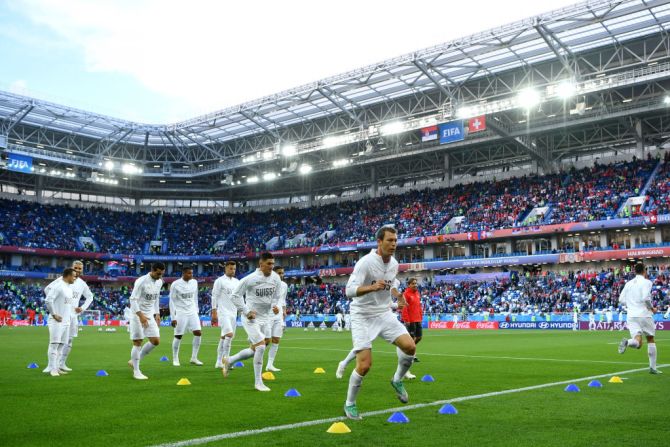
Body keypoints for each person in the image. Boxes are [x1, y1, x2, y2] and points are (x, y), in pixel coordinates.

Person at [342, 226, 416, 420]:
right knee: (365, 365)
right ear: (379, 242)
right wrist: (372, 287)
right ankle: (350, 404)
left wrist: (398, 296)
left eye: (395, 241)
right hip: (362, 314)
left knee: (410, 347)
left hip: (383, 313)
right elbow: (349, 291)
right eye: (389, 240)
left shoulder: (394, 264)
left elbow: (391, 284)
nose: (393, 244)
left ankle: (397, 380)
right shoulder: (365, 263)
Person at [223, 252, 282, 392]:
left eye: (273, 264)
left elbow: (277, 296)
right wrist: (246, 311)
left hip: (265, 318)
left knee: (257, 347)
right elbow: (235, 296)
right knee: (261, 347)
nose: (271, 267)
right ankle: (258, 382)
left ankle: (229, 360)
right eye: (269, 264)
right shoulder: (250, 279)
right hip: (251, 318)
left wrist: (276, 306)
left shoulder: (276, 278)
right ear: (260, 264)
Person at [43, 260, 94, 372]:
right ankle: (51, 365)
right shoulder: (61, 280)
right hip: (61, 314)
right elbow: (47, 290)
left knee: (68, 341)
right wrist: (58, 302)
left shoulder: (82, 284)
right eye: (75, 268)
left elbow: (90, 297)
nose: (77, 270)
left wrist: (82, 307)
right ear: (72, 267)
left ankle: (61, 364)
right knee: (55, 340)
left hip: (73, 316)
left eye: (80, 268)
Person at [617, 263, 661, 374]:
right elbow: (646, 298)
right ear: (644, 271)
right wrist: (652, 309)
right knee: (650, 339)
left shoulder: (628, 283)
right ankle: (653, 368)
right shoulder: (647, 282)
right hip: (644, 314)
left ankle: (627, 342)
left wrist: (632, 304)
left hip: (631, 316)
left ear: (634, 271)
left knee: (638, 343)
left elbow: (621, 300)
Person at [128, 262, 165, 380]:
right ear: (152, 270)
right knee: (138, 341)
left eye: (162, 274)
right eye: (158, 273)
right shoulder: (141, 281)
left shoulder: (159, 282)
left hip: (149, 314)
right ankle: (136, 371)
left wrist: (157, 313)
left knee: (155, 341)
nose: (160, 276)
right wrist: (140, 315)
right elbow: (133, 300)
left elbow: (156, 299)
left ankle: (134, 361)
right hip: (136, 314)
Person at [44, 268, 76, 376]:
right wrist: (54, 314)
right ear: (68, 275)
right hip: (56, 321)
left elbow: (68, 305)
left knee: (62, 345)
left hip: (66, 321)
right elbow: (48, 300)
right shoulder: (58, 286)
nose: (75, 278)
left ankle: (57, 368)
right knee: (54, 344)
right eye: (74, 276)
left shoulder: (69, 288)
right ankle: (52, 369)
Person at [169, 265, 203, 366]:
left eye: (192, 273)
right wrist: (173, 317)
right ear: (183, 273)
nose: (191, 275)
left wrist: (196, 310)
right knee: (178, 335)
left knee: (198, 332)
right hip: (181, 312)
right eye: (189, 273)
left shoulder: (194, 282)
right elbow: (172, 301)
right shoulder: (175, 284)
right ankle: (175, 359)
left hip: (192, 311)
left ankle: (194, 358)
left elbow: (195, 296)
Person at [212, 261, 240, 369]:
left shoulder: (237, 282)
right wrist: (214, 311)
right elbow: (214, 296)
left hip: (233, 313)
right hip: (223, 312)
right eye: (230, 269)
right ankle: (226, 360)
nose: (232, 271)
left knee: (224, 337)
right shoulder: (219, 281)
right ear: (225, 269)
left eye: (234, 269)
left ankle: (219, 361)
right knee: (229, 334)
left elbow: (239, 298)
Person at [265, 265, 287, 372]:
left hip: (279, 315)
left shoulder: (284, 285)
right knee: (265, 341)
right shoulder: (267, 284)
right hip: (268, 315)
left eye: (282, 273)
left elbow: (283, 299)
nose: (281, 275)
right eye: (279, 273)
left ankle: (270, 364)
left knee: (276, 339)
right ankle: (254, 357)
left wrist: (284, 310)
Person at [400, 277, 423, 379]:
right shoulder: (406, 294)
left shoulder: (417, 293)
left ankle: (411, 352)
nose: (415, 285)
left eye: (416, 283)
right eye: (413, 283)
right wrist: (406, 320)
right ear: (408, 285)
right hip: (410, 320)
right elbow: (404, 308)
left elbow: (418, 306)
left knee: (419, 337)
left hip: (417, 319)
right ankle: (409, 356)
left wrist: (420, 316)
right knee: (411, 340)